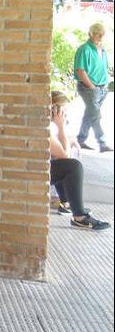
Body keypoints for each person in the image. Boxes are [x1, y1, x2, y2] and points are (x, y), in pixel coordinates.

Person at [49, 91, 110, 230]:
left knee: (63, 164)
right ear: (54, 109)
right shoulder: (44, 127)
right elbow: (65, 155)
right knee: (73, 167)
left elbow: (60, 152)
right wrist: (61, 128)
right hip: (31, 174)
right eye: (63, 111)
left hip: (35, 171)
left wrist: (68, 138)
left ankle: (66, 204)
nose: (65, 115)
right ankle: (79, 217)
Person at [73, 22, 112, 152]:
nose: (101, 36)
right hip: (89, 88)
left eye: (102, 34)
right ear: (90, 34)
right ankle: (103, 143)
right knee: (96, 115)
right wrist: (92, 86)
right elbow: (80, 70)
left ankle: (80, 140)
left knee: (90, 114)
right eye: (98, 34)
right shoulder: (84, 49)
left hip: (103, 88)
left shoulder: (102, 49)